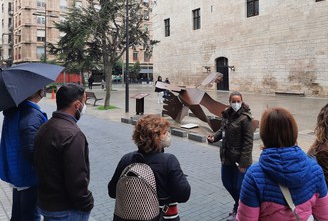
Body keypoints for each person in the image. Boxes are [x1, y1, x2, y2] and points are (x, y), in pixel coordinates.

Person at [237, 107, 328, 221]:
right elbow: (325, 216)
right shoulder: (315, 170)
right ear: (294, 132)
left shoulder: (253, 176)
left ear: (264, 135)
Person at [108, 115, 190, 221]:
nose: (168, 135)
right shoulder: (169, 161)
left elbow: (112, 192)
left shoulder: (127, 159)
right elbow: (183, 195)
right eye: (165, 132)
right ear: (155, 138)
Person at [34, 84, 94, 221]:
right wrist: (87, 202)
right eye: (84, 103)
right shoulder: (72, 134)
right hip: (66, 209)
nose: (84, 107)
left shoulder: (46, 126)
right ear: (77, 105)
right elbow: (76, 178)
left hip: (48, 203)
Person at [0, 89, 47, 221]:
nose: (43, 90)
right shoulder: (31, 115)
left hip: (17, 172)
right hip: (29, 175)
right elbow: (31, 151)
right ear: (36, 92)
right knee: (30, 216)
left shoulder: (15, 111)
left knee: (18, 214)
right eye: (41, 88)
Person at [207, 91, 254, 221]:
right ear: (229, 101)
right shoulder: (226, 115)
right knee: (227, 183)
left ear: (242, 101)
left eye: (238, 101)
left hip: (240, 160)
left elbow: (248, 142)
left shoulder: (245, 118)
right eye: (233, 101)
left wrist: (244, 164)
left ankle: (238, 209)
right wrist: (213, 137)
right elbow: (222, 130)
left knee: (239, 186)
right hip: (226, 157)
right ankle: (240, 206)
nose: (236, 103)